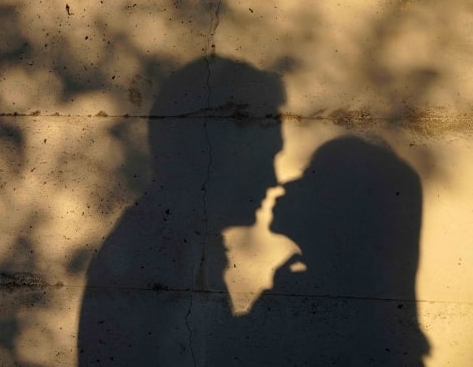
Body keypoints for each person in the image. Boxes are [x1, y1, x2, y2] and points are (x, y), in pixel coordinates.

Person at [77, 56, 285, 366]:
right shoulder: (165, 256)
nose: (273, 180)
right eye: (263, 158)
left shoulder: (169, 245)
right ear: (217, 150)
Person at [236, 136, 430, 366]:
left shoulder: (309, 321)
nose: (284, 184)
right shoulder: (373, 332)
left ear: (345, 208)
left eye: (311, 177)